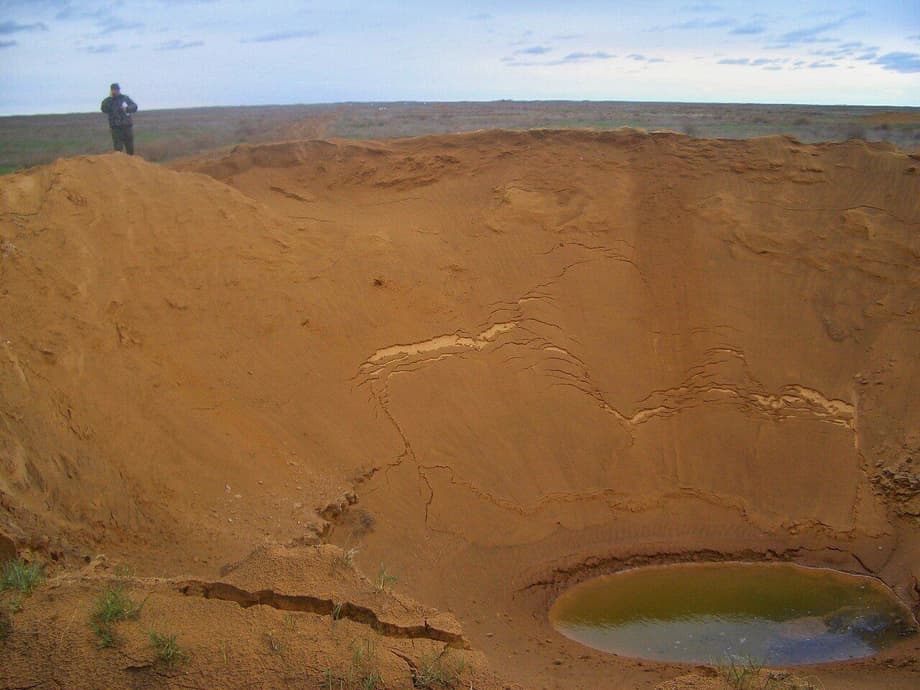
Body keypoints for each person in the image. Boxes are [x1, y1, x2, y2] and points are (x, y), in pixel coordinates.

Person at [100, 83, 138, 155]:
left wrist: (127, 108)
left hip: (127, 125)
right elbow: (103, 109)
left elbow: (135, 107)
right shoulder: (108, 100)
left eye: (116, 89)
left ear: (119, 90)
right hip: (116, 127)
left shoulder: (125, 98)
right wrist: (110, 100)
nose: (115, 91)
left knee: (130, 147)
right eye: (113, 90)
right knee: (118, 148)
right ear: (111, 90)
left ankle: (130, 161)